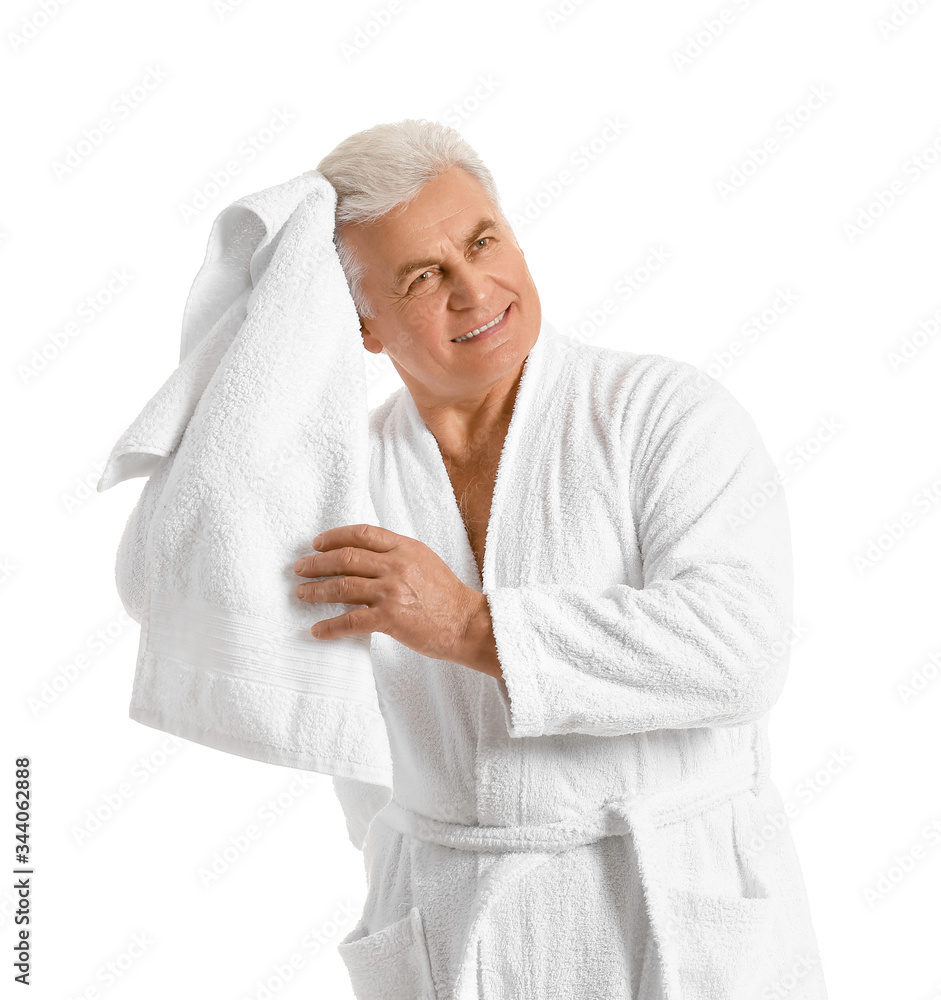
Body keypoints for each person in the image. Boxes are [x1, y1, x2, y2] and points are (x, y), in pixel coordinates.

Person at [292, 119, 829, 999]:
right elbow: (307, 709)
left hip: (670, 906)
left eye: (482, 242)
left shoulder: (663, 414)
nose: (474, 290)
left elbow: (741, 652)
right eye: (423, 276)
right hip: (453, 924)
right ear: (363, 324)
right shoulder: (341, 485)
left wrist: (467, 624)